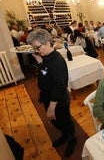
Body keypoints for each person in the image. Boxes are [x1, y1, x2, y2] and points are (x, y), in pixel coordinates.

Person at [27, 29, 76, 157]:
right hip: (48, 96)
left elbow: (59, 86)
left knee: (65, 120)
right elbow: (45, 71)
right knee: (57, 122)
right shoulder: (45, 58)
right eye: (34, 48)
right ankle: (65, 135)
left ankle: (72, 139)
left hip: (58, 99)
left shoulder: (57, 61)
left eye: (38, 47)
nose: (36, 50)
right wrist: (39, 60)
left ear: (48, 43)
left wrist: (51, 108)